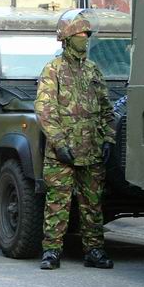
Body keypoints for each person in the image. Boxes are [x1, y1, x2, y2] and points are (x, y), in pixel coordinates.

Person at [34, 15, 115, 270]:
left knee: (92, 204)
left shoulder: (93, 70)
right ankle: (51, 251)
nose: (85, 39)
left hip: (91, 151)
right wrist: (59, 144)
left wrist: (107, 140)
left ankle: (94, 251)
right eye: (81, 35)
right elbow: (45, 110)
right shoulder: (53, 69)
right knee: (58, 202)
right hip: (62, 153)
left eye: (87, 35)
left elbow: (106, 109)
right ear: (68, 38)